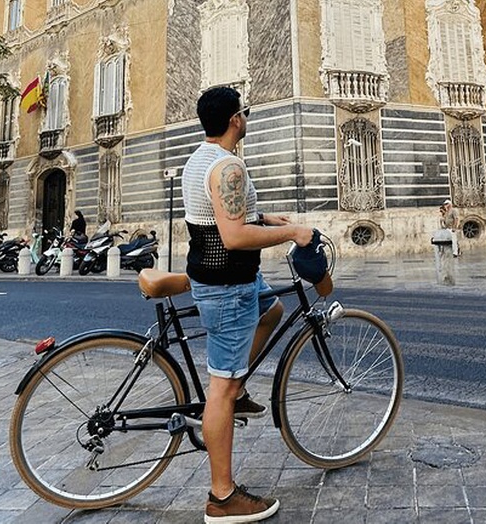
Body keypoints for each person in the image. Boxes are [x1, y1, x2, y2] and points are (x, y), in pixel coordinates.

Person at [181, 86, 313, 523]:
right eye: (245, 112)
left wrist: (267, 218)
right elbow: (234, 236)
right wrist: (292, 234)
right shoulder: (229, 167)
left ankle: (235, 390)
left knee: (272, 310)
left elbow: (222, 218)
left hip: (234, 279)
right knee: (221, 387)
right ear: (235, 119)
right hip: (228, 285)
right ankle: (222, 497)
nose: (246, 118)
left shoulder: (200, 158)